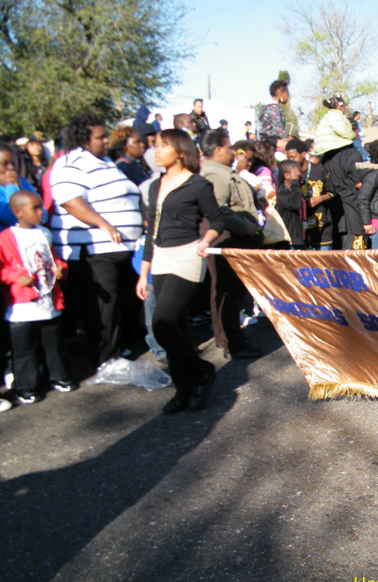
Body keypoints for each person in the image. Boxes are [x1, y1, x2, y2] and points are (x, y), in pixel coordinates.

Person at [136, 129, 224, 413]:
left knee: (162, 324)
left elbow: (217, 220)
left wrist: (206, 240)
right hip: (160, 258)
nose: (156, 151)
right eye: (155, 146)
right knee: (175, 328)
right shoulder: (154, 184)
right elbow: (152, 231)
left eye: (163, 146)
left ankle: (202, 371)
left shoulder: (198, 184)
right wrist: (143, 272)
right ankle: (184, 389)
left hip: (187, 256)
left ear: (180, 150)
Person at [49, 113, 143, 367]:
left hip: (118, 247)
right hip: (92, 248)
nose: (106, 141)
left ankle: (117, 346)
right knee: (103, 306)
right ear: (83, 139)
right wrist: (104, 223)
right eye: (101, 137)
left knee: (117, 303)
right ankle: (105, 357)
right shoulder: (71, 163)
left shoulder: (103, 162)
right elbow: (70, 200)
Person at [0, 191, 74, 404]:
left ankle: (59, 377)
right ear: (18, 212)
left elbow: (53, 258)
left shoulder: (44, 233)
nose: (41, 212)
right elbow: (2, 267)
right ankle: (26, 387)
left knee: (54, 344)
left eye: (40, 206)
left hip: (48, 302)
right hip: (22, 308)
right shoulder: (6, 237)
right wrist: (15, 276)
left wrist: (61, 268)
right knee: (24, 351)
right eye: (35, 208)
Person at [199, 128, 262, 360]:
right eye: (229, 148)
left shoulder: (224, 172)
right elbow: (220, 210)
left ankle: (229, 338)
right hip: (227, 238)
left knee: (230, 292)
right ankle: (231, 342)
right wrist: (245, 226)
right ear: (217, 150)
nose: (233, 153)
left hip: (235, 238)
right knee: (228, 293)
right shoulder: (215, 175)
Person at [315, 94, 364, 249]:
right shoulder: (353, 155)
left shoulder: (325, 159)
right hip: (353, 217)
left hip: (334, 218)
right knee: (355, 265)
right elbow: (359, 184)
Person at [257, 80, 290, 144]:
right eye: (287, 93)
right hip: (272, 143)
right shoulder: (274, 107)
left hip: (264, 141)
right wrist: (289, 144)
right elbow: (278, 129)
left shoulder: (265, 107)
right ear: (281, 93)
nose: (287, 97)